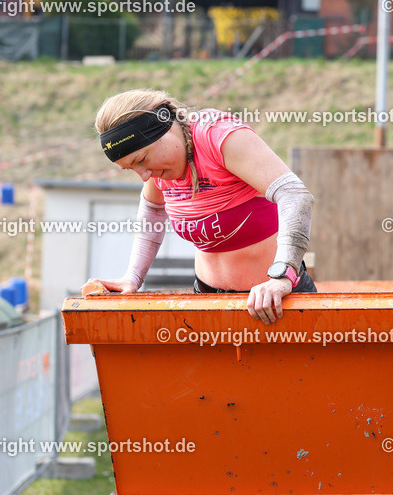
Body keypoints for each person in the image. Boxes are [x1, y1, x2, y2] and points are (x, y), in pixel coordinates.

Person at [80, 89, 315, 323]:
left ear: (164, 130)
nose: (144, 176)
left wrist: (282, 276)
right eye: (131, 168)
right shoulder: (159, 168)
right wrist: (132, 278)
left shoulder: (217, 135)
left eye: (141, 160)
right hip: (207, 300)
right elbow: (153, 210)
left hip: (275, 300)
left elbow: (294, 195)